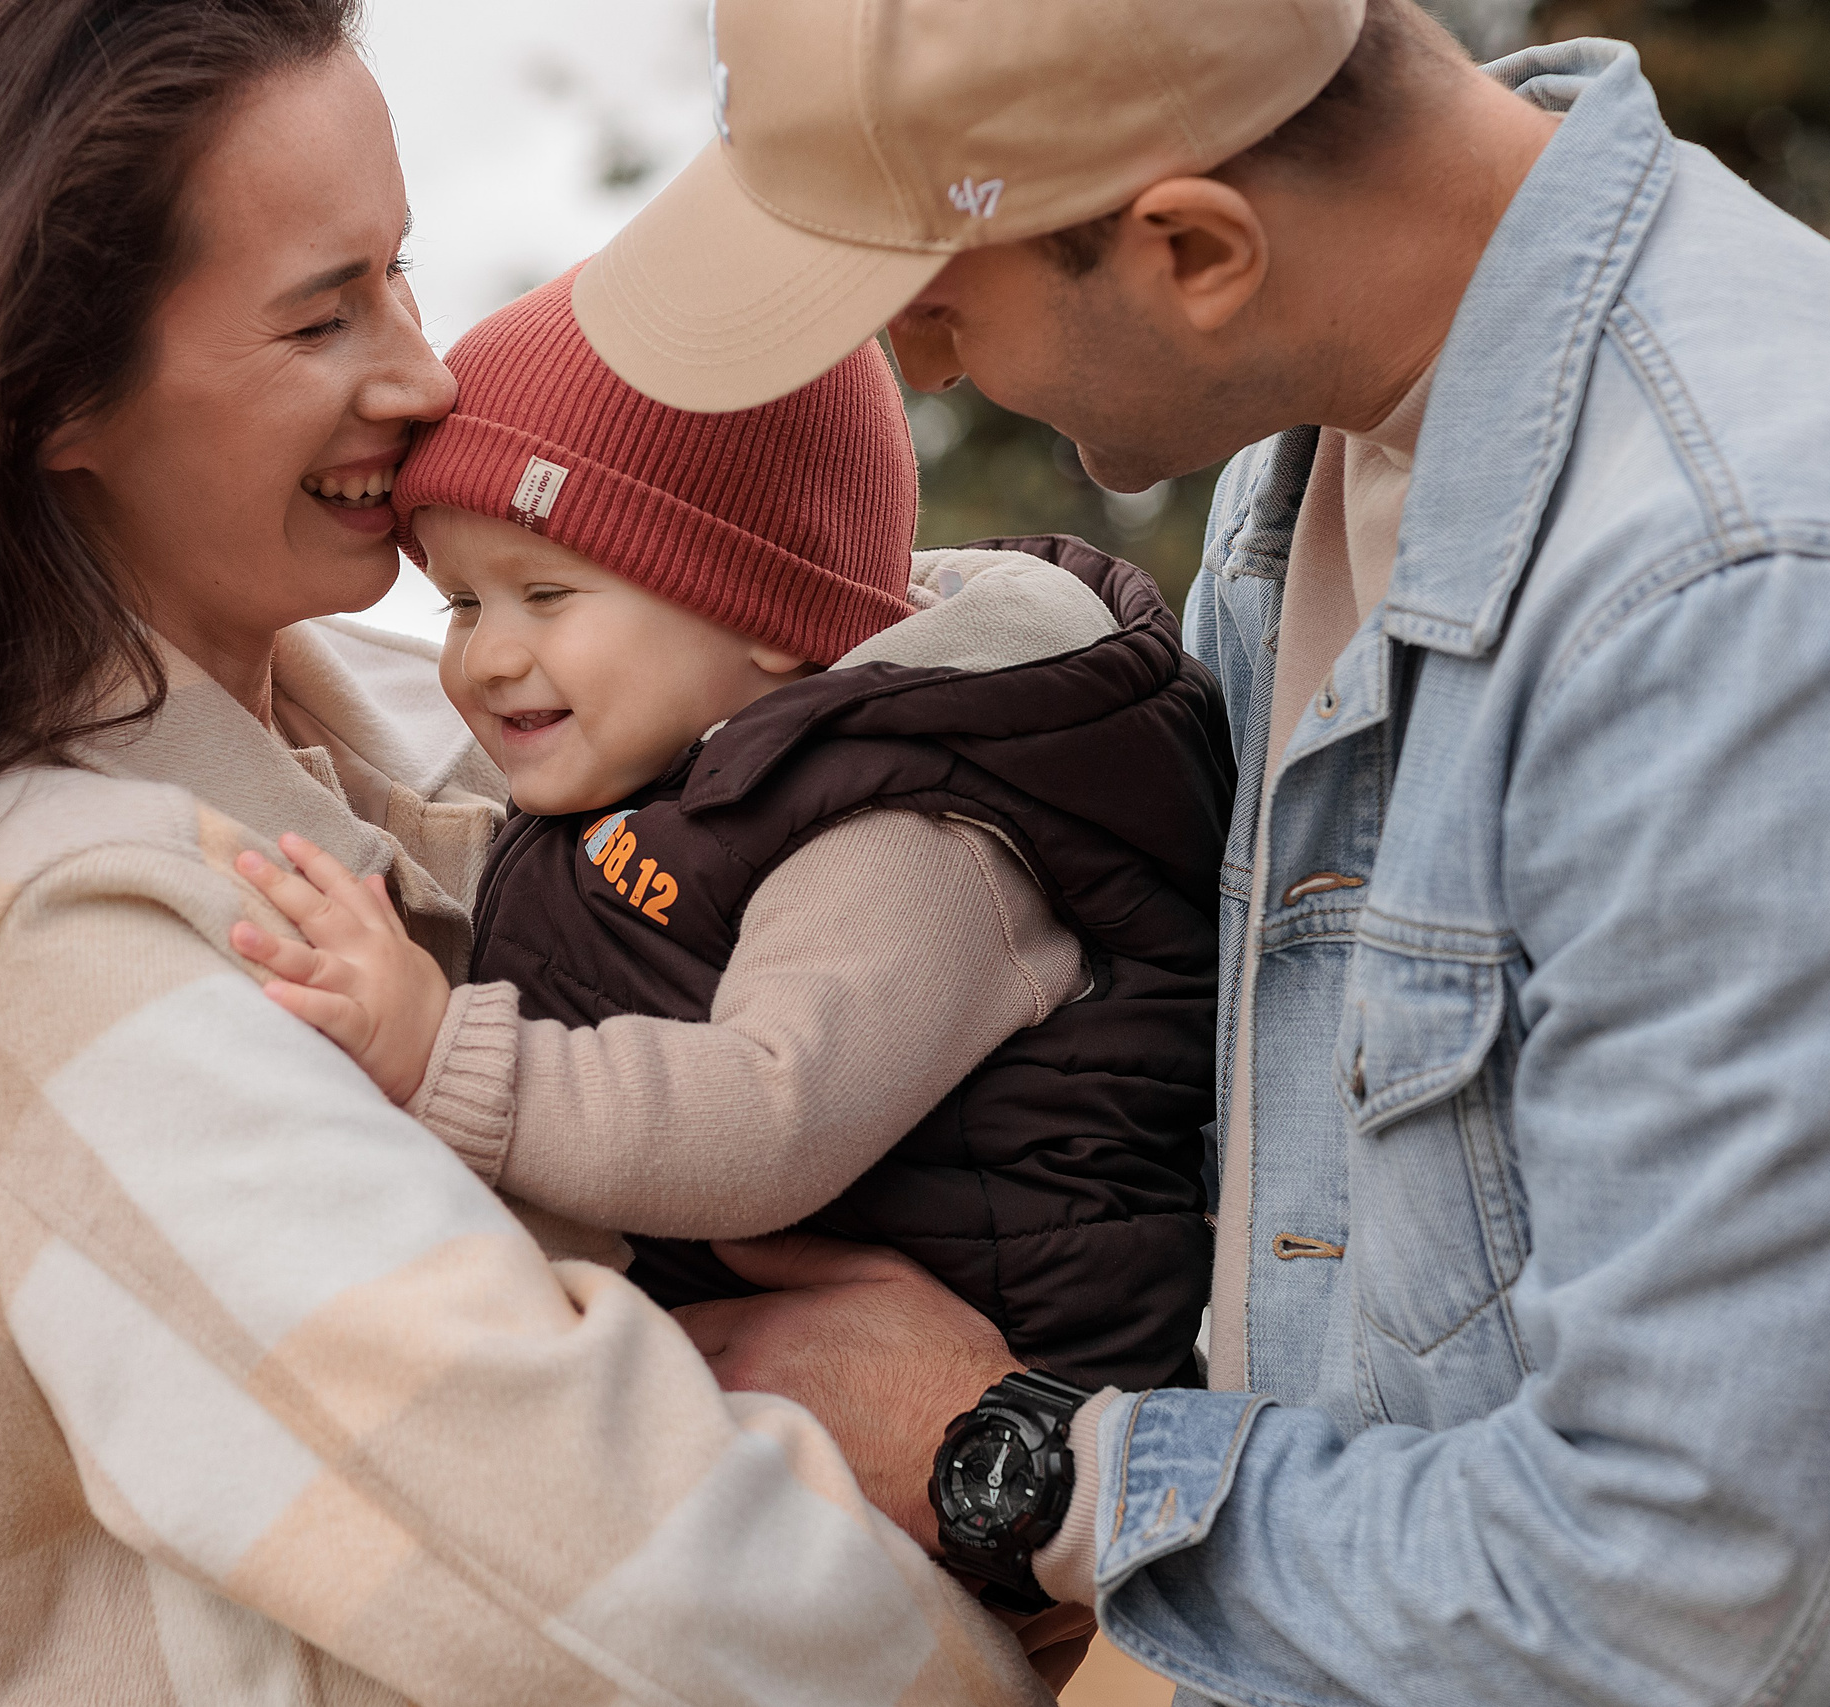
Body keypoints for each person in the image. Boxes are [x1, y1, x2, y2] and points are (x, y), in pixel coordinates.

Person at [0, 1, 1059, 1700]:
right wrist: (1014, 1495)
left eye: (401, 271)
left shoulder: (430, 729)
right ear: (48, 392)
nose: (423, 371)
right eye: (322, 316)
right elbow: (683, 1603)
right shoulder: (62, 918)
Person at [575, 0, 1830, 1698]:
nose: (913, 369)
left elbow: (1675, 1587)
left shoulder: (1763, 604)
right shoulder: (1319, 470)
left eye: (933, 300)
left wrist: (1003, 1457)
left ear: (1195, 249)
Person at [226, 265, 1232, 1400]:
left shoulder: (910, 833)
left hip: (985, 1428)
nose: (487, 655)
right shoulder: (680, 772)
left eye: (544, 596)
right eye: (461, 604)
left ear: (762, 612)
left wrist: (437, 1051)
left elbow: (764, 1121)